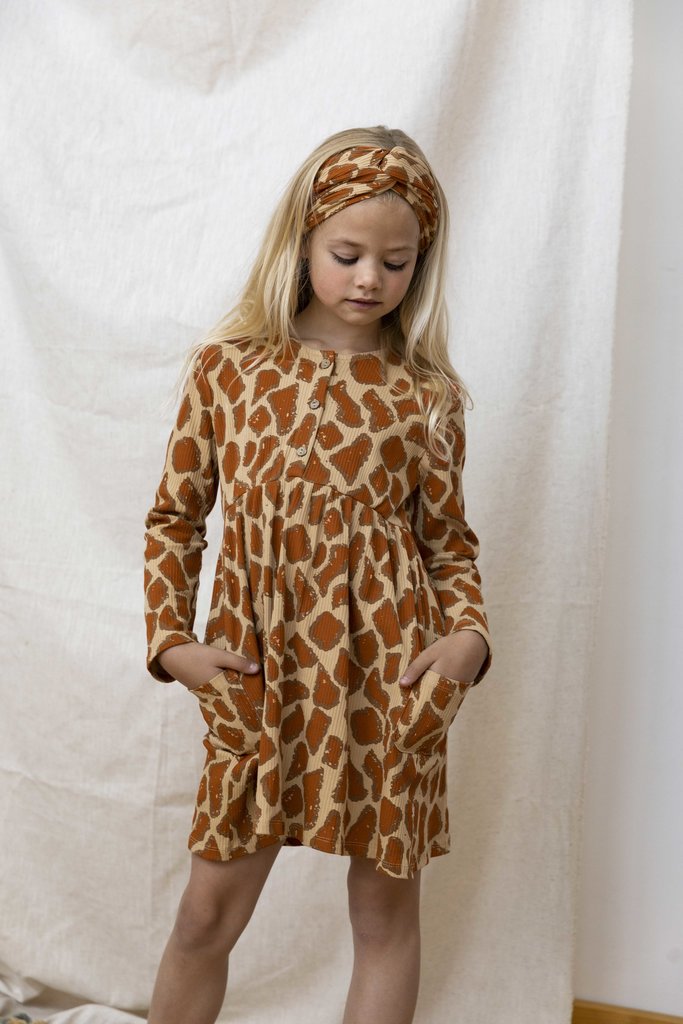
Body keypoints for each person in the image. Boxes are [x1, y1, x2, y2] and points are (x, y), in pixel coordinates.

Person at [142, 124, 493, 1024]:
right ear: (301, 241)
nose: (369, 278)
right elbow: (176, 518)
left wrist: (466, 639)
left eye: (396, 262)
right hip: (258, 679)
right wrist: (172, 641)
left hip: (391, 682)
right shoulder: (229, 370)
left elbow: (448, 543)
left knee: (384, 919)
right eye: (347, 254)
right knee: (203, 919)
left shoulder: (425, 395)